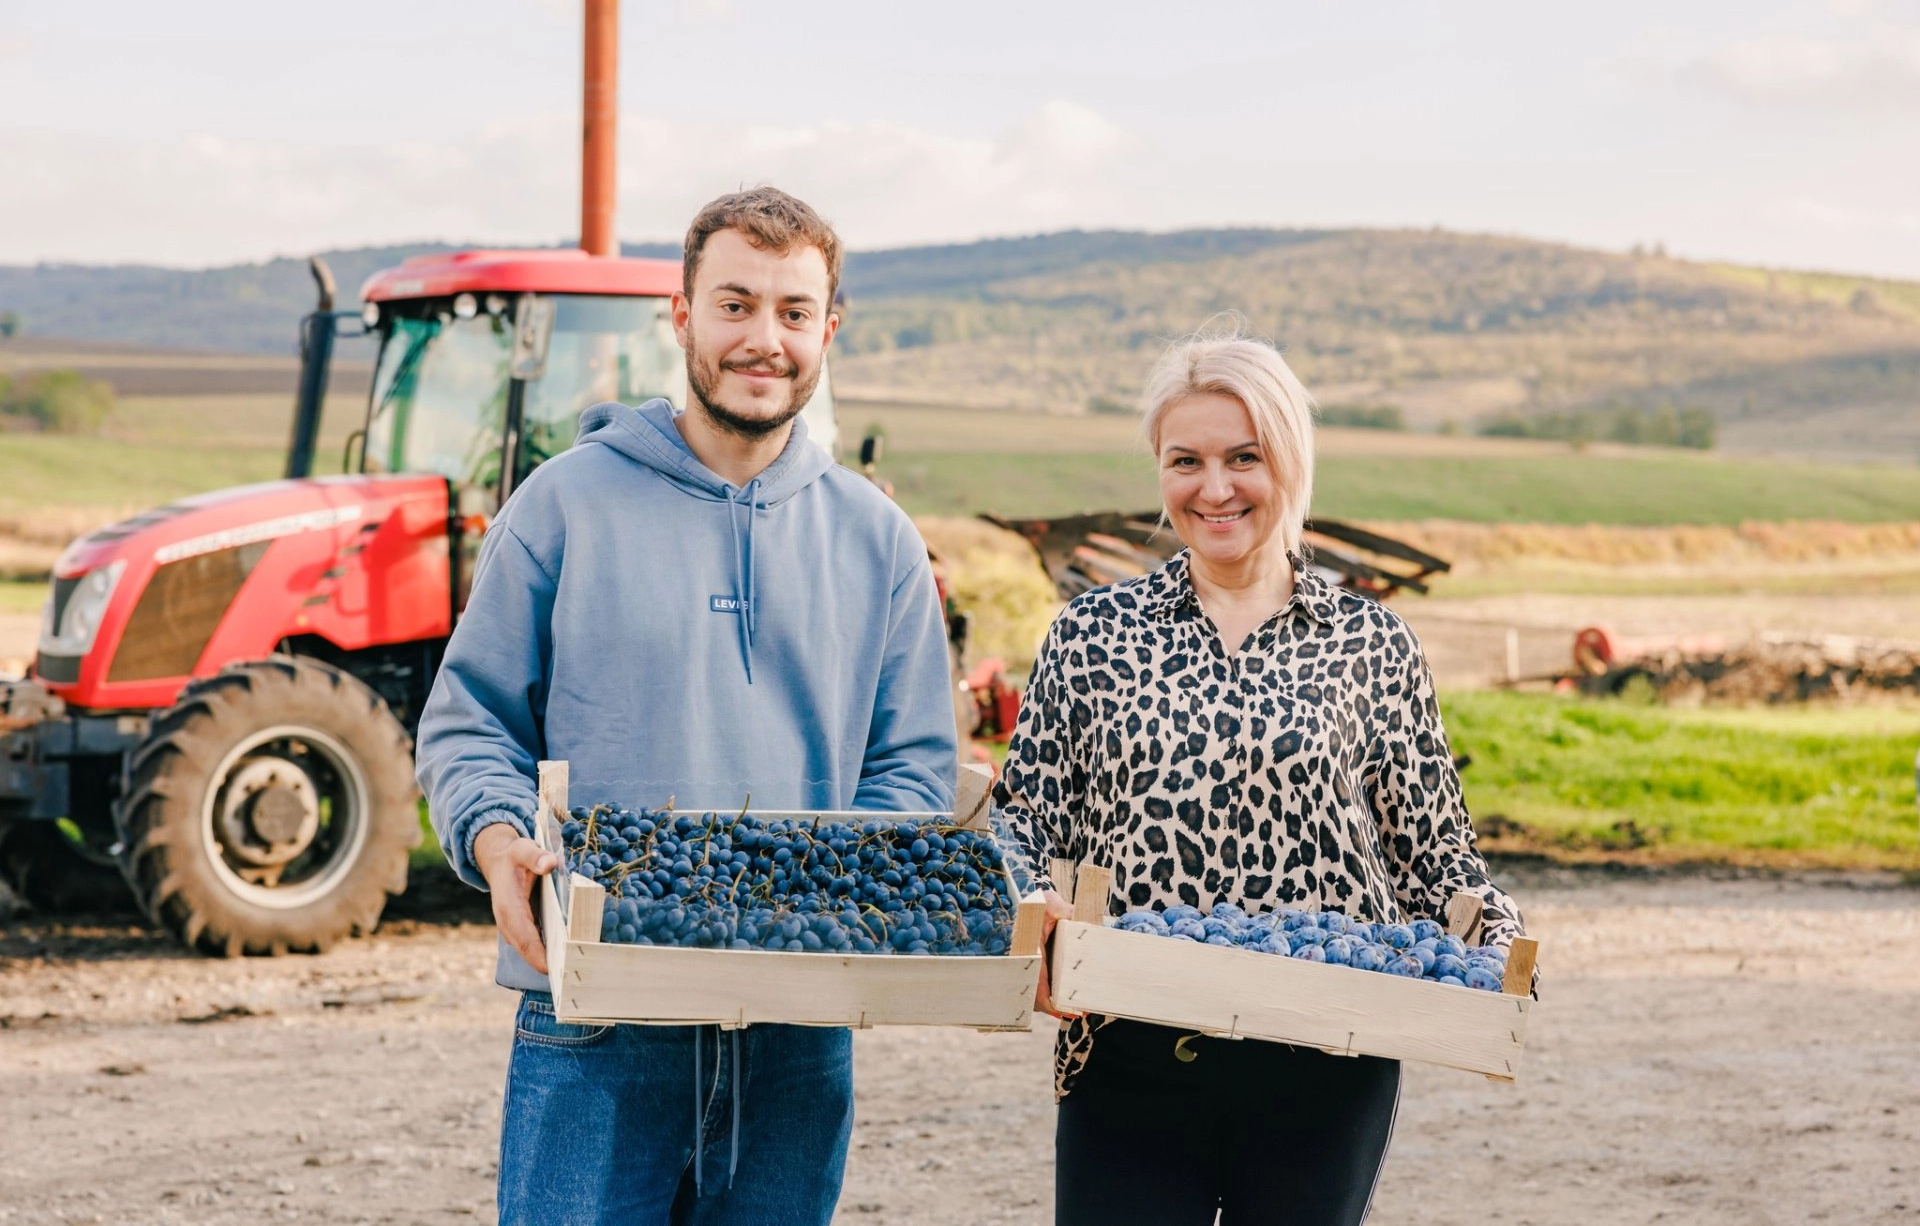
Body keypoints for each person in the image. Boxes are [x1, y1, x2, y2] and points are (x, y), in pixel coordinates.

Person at [415, 186, 958, 1226]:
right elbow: (469, 719)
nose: (765, 338)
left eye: (794, 312)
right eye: (735, 304)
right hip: (599, 1019)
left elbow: (913, 768)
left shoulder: (876, 539)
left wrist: (842, 898)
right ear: (682, 316)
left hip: (798, 1034)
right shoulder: (564, 503)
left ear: (828, 330)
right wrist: (493, 840)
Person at [992, 330, 1528, 1226]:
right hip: (1128, 1046)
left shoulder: (1372, 643)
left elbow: (1435, 853)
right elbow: (1024, 828)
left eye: (1245, 457)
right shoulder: (1093, 633)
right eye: (1186, 460)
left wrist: (1501, 942)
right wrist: (1031, 915)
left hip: (1326, 1054)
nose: (1215, 487)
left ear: (1290, 459)